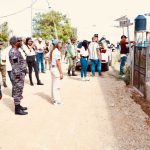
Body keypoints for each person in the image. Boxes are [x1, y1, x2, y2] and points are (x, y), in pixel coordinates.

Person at [9, 36, 28, 115]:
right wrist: (18, 75)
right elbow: (15, 65)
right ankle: (17, 110)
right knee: (17, 91)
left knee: (19, 90)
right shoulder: (13, 52)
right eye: (19, 41)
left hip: (20, 74)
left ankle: (19, 105)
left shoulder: (17, 50)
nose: (21, 42)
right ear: (15, 42)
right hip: (18, 75)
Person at [50, 39, 63, 105]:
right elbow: (58, 63)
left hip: (52, 68)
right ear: (56, 44)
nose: (61, 44)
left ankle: (53, 99)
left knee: (53, 85)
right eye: (59, 43)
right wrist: (61, 73)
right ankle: (57, 100)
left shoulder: (53, 51)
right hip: (55, 69)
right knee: (57, 86)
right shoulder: (56, 51)